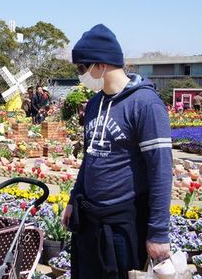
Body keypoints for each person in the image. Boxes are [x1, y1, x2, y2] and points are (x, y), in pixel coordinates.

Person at [63, 24, 172, 279]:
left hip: (125, 223)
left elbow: (161, 171)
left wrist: (158, 233)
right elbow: (90, 158)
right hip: (90, 222)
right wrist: (73, 199)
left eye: (82, 68)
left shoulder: (145, 105)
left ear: (101, 65)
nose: (81, 75)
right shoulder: (94, 104)